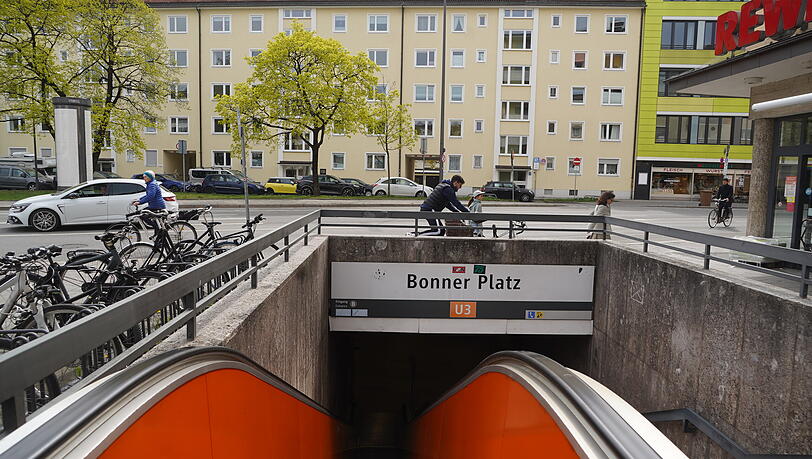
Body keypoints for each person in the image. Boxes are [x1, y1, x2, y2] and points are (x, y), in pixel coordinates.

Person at [131, 170, 166, 236]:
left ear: (150, 177)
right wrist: (139, 200)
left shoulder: (152, 185)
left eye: (145, 177)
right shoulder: (152, 183)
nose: (144, 178)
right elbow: (148, 195)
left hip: (156, 206)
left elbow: (150, 196)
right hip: (156, 205)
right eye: (143, 177)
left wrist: (139, 202)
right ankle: (158, 235)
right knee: (155, 222)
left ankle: (156, 228)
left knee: (143, 215)